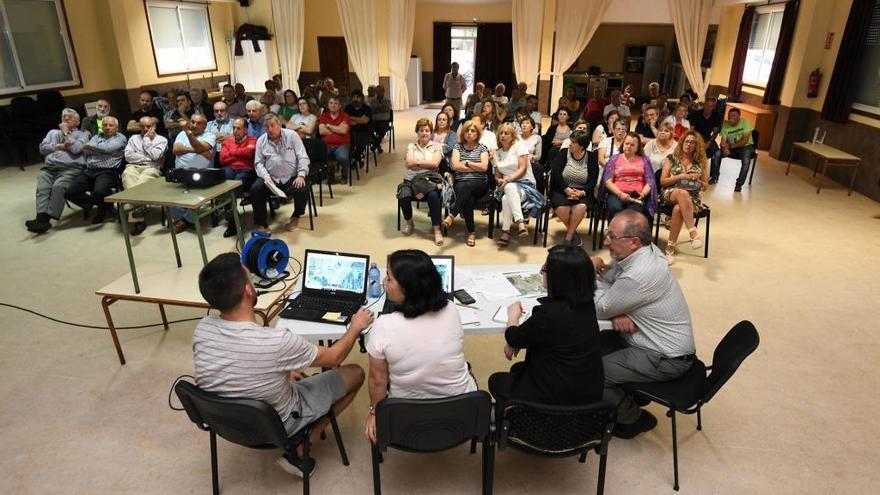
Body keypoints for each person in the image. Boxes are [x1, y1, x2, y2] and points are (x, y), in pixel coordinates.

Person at [194, 252, 371, 476]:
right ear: (249, 290)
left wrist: (283, 376)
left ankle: (290, 396)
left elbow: (238, 366)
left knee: (295, 371)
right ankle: (302, 445)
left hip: (225, 423)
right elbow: (335, 357)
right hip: (279, 423)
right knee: (356, 373)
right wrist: (355, 327)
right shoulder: (277, 341)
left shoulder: (203, 329)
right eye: (251, 277)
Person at [591, 210, 696, 438]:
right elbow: (610, 283)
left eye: (612, 237)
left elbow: (600, 308)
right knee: (586, 346)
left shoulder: (638, 274)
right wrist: (619, 306)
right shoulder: (643, 253)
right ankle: (628, 392)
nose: (606, 242)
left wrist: (592, 276)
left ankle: (633, 419)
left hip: (664, 356)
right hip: (651, 341)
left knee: (590, 372)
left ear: (634, 242)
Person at [364, 249, 477, 444]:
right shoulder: (451, 309)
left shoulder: (384, 326)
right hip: (461, 414)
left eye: (389, 278)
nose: (384, 281)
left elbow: (378, 380)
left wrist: (375, 412)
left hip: (407, 419)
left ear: (407, 289)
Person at [489, 245, 603, 411]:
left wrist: (513, 317)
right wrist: (522, 339)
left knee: (497, 380)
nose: (541, 272)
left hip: (554, 398)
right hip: (585, 392)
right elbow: (547, 335)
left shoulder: (548, 315)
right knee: (518, 369)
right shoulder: (586, 303)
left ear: (558, 278)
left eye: (544, 268)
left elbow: (513, 337)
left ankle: (513, 425)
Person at [25, 109, 89, 234]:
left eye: (69, 117)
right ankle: (41, 216)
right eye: (63, 117)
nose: (65, 119)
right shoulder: (52, 133)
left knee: (58, 186)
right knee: (43, 187)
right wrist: (58, 146)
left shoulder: (82, 134)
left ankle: (45, 219)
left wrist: (66, 134)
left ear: (77, 122)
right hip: (49, 168)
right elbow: (42, 148)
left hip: (71, 168)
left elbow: (76, 149)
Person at [251, 115, 311, 232]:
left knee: (302, 189)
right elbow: (258, 163)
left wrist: (301, 175)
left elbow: (303, 157)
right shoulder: (261, 141)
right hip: (271, 178)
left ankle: (296, 216)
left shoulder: (292, 136)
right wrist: (266, 178)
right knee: (255, 189)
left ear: (279, 124)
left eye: (272, 126)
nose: (270, 129)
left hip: (291, 177)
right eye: (267, 127)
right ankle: (262, 223)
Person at [66, 116, 128, 224]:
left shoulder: (120, 138)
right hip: (90, 170)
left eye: (111, 125)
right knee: (70, 192)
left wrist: (91, 147)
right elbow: (85, 151)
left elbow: (108, 148)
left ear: (116, 128)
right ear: (101, 127)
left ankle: (101, 211)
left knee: (99, 192)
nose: (107, 127)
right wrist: (105, 151)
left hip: (108, 171)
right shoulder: (95, 137)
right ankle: (104, 205)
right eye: (105, 125)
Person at [659, 131, 708, 264]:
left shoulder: (701, 162)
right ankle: (692, 232)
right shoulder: (672, 158)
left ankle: (669, 249)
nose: (689, 144)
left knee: (677, 210)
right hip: (670, 192)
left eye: (692, 142)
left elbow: (705, 186)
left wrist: (697, 180)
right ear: (682, 143)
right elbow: (663, 181)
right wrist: (681, 176)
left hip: (692, 198)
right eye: (686, 141)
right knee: (682, 193)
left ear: (696, 146)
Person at [492, 123, 543, 246]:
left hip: (525, 185)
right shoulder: (497, 154)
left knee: (506, 196)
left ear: (513, 136)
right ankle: (519, 224)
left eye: (506, 133)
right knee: (506, 194)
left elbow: (522, 169)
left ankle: (510, 228)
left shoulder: (519, 146)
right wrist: (499, 180)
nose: (503, 136)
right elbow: (497, 175)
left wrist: (508, 180)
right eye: (501, 133)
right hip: (506, 186)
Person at [397, 118, 444, 245]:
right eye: (421, 130)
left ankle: (437, 230)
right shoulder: (411, 146)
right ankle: (409, 222)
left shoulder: (437, 146)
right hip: (410, 180)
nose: (424, 133)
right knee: (403, 195)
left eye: (427, 130)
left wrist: (416, 163)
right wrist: (425, 164)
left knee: (434, 197)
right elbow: (408, 164)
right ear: (417, 132)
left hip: (429, 181)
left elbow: (435, 164)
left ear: (431, 132)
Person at [444, 119, 489, 247]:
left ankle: (452, 214)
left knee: (468, 186)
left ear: (477, 134)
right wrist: (476, 166)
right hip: (461, 183)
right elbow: (456, 166)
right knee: (467, 198)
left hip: (479, 183)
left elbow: (484, 167)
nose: (469, 133)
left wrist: (468, 163)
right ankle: (471, 232)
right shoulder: (457, 147)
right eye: (467, 131)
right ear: (463, 133)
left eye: (473, 131)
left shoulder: (482, 148)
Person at [550, 130, 598, 247]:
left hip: (582, 190)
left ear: (581, 146)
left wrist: (582, 192)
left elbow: (593, 179)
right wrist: (566, 189)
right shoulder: (563, 153)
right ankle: (573, 232)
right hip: (562, 188)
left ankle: (568, 237)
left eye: (573, 142)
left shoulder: (591, 157)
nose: (569, 144)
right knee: (562, 209)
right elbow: (555, 173)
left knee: (581, 207)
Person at [170, 114, 216, 233]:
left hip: (201, 173)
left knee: (197, 194)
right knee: (170, 195)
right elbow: (176, 150)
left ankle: (185, 221)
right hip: (180, 172)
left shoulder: (210, 136)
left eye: (198, 123)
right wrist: (198, 150)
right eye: (193, 122)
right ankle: (184, 219)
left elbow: (201, 147)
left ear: (205, 126)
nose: (194, 125)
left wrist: (188, 133)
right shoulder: (181, 134)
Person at [122, 116, 168, 235]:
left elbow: (156, 156)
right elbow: (128, 156)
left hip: (151, 168)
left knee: (141, 182)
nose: (145, 129)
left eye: (148, 126)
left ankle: (137, 218)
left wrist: (147, 140)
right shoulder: (133, 138)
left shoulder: (162, 139)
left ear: (154, 126)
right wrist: (147, 158)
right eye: (142, 126)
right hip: (133, 166)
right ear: (139, 127)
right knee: (127, 175)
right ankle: (139, 208)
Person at [599, 132, 658, 222]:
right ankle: (614, 233)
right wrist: (620, 194)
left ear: (637, 148)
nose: (629, 146)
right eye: (627, 143)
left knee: (633, 212)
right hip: (617, 194)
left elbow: (650, 182)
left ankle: (629, 235)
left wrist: (643, 194)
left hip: (637, 196)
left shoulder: (644, 160)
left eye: (632, 145)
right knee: (615, 208)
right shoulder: (614, 159)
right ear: (623, 144)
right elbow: (607, 181)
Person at [219, 118, 257, 237]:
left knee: (233, 186)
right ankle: (232, 218)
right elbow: (222, 159)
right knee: (224, 184)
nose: (235, 130)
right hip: (230, 169)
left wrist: (232, 152)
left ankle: (232, 220)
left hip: (246, 170)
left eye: (238, 128)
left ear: (245, 130)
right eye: (233, 128)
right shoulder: (227, 142)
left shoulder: (253, 140)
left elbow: (249, 153)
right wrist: (239, 153)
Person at [711, 107, 755, 191]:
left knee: (746, 160)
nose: (731, 118)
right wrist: (725, 149)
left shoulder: (745, 123)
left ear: (739, 117)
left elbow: (745, 141)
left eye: (733, 116)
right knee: (717, 154)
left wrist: (730, 147)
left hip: (746, 147)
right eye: (729, 116)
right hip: (731, 147)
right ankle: (714, 177)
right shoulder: (726, 126)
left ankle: (739, 184)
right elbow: (723, 142)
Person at [319, 95, 352, 182]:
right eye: (331, 103)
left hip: (342, 145)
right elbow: (321, 131)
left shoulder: (345, 116)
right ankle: (330, 172)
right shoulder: (324, 115)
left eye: (336, 103)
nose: (333, 105)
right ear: (328, 105)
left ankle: (344, 174)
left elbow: (343, 131)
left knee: (343, 157)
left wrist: (329, 126)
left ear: (340, 106)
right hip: (326, 145)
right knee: (321, 155)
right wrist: (338, 128)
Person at [688, 96, 722, 163]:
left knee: (716, 151)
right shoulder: (696, 114)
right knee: (694, 149)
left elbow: (715, 131)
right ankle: (695, 163)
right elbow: (691, 130)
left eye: (711, 106)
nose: (708, 108)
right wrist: (698, 142)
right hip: (695, 136)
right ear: (704, 105)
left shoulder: (716, 116)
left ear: (714, 107)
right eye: (707, 105)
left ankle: (712, 172)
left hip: (707, 137)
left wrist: (709, 142)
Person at [344, 88, 372, 163]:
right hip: (350, 130)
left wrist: (351, 117)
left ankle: (355, 157)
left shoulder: (367, 109)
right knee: (347, 139)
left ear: (362, 99)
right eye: (353, 97)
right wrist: (359, 120)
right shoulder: (348, 108)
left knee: (361, 140)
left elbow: (365, 121)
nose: (355, 99)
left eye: (358, 97)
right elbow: (345, 121)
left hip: (364, 130)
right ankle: (355, 157)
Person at [369, 85, 392, 152]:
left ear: (383, 91)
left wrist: (377, 109)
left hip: (384, 120)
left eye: (380, 91)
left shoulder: (387, 100)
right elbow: (371, 109)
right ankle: (377, 145)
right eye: (377, 91)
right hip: (374, 120)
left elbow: (386, 109)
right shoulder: (373, 100)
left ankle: (375, 144)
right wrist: (380, 109)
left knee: (382, 130)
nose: (379, 92)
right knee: (367, 129)